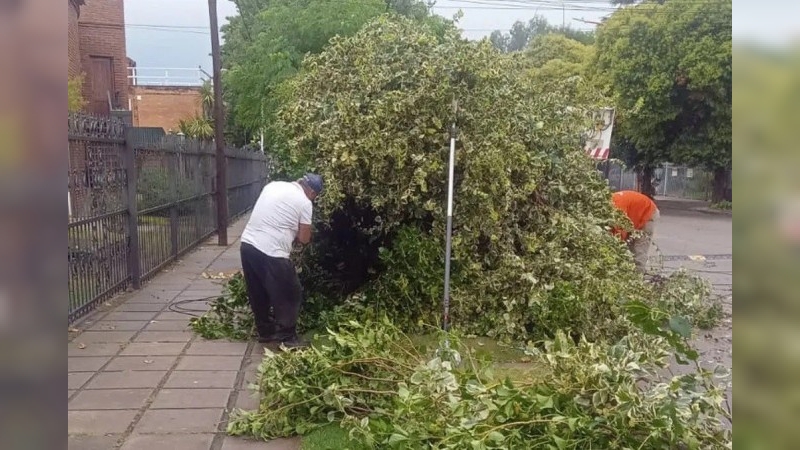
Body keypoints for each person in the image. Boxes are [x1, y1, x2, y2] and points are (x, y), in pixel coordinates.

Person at [240, 173, 323, 348]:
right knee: (291, 292)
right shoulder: (305, 202)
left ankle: (265, 332)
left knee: (258, 291)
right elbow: (304, 238)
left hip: (247, 245)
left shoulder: (273, 185)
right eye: (315, 196)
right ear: (312, 192)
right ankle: (287, 337)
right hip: (272, 251)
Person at [611, 190, 660, 273]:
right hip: (633, 218)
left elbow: (620, 232)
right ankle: (628, 271)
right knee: (629, 248)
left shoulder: (617, 206)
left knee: (639, 248)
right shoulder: (610, 202)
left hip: (647, 214)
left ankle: (638, 275)